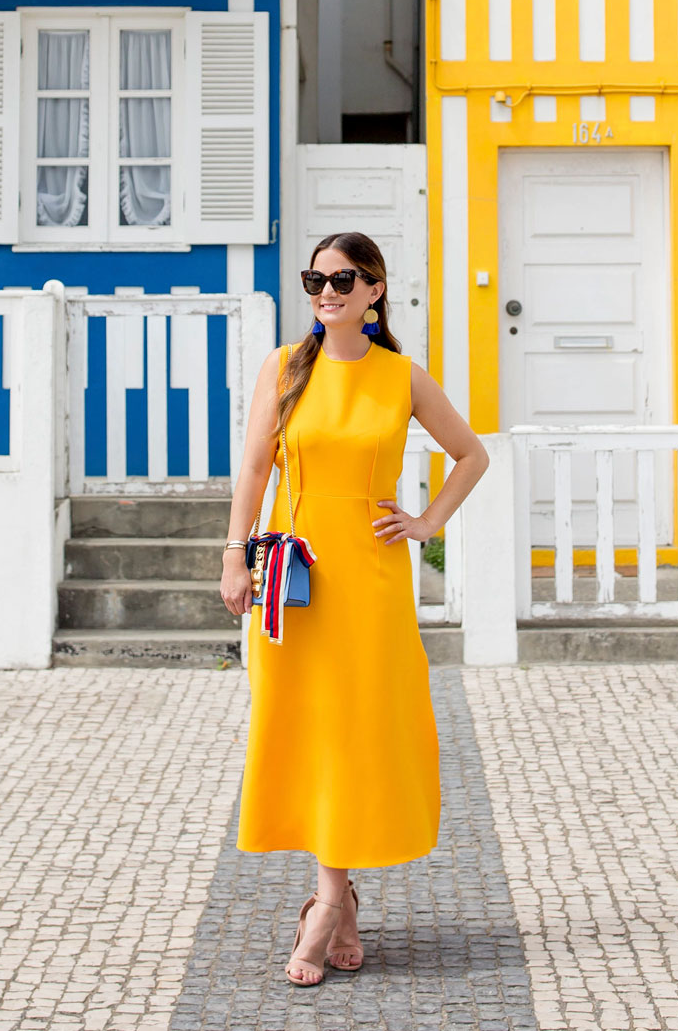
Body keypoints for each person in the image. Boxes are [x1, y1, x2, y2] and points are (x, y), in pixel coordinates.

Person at [219, 231, 489, 986]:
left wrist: (426, 522)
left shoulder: (402, 377)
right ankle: (340, 900)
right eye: (315, 280)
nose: (326, 292)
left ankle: (324, 907)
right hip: (295, 586)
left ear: (374, 290)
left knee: (356, 735)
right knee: (308, 734)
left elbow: (472, 454)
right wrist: (233, 552)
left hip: (370, 587)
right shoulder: (284, 367)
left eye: (343, 279)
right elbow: (253, 467)